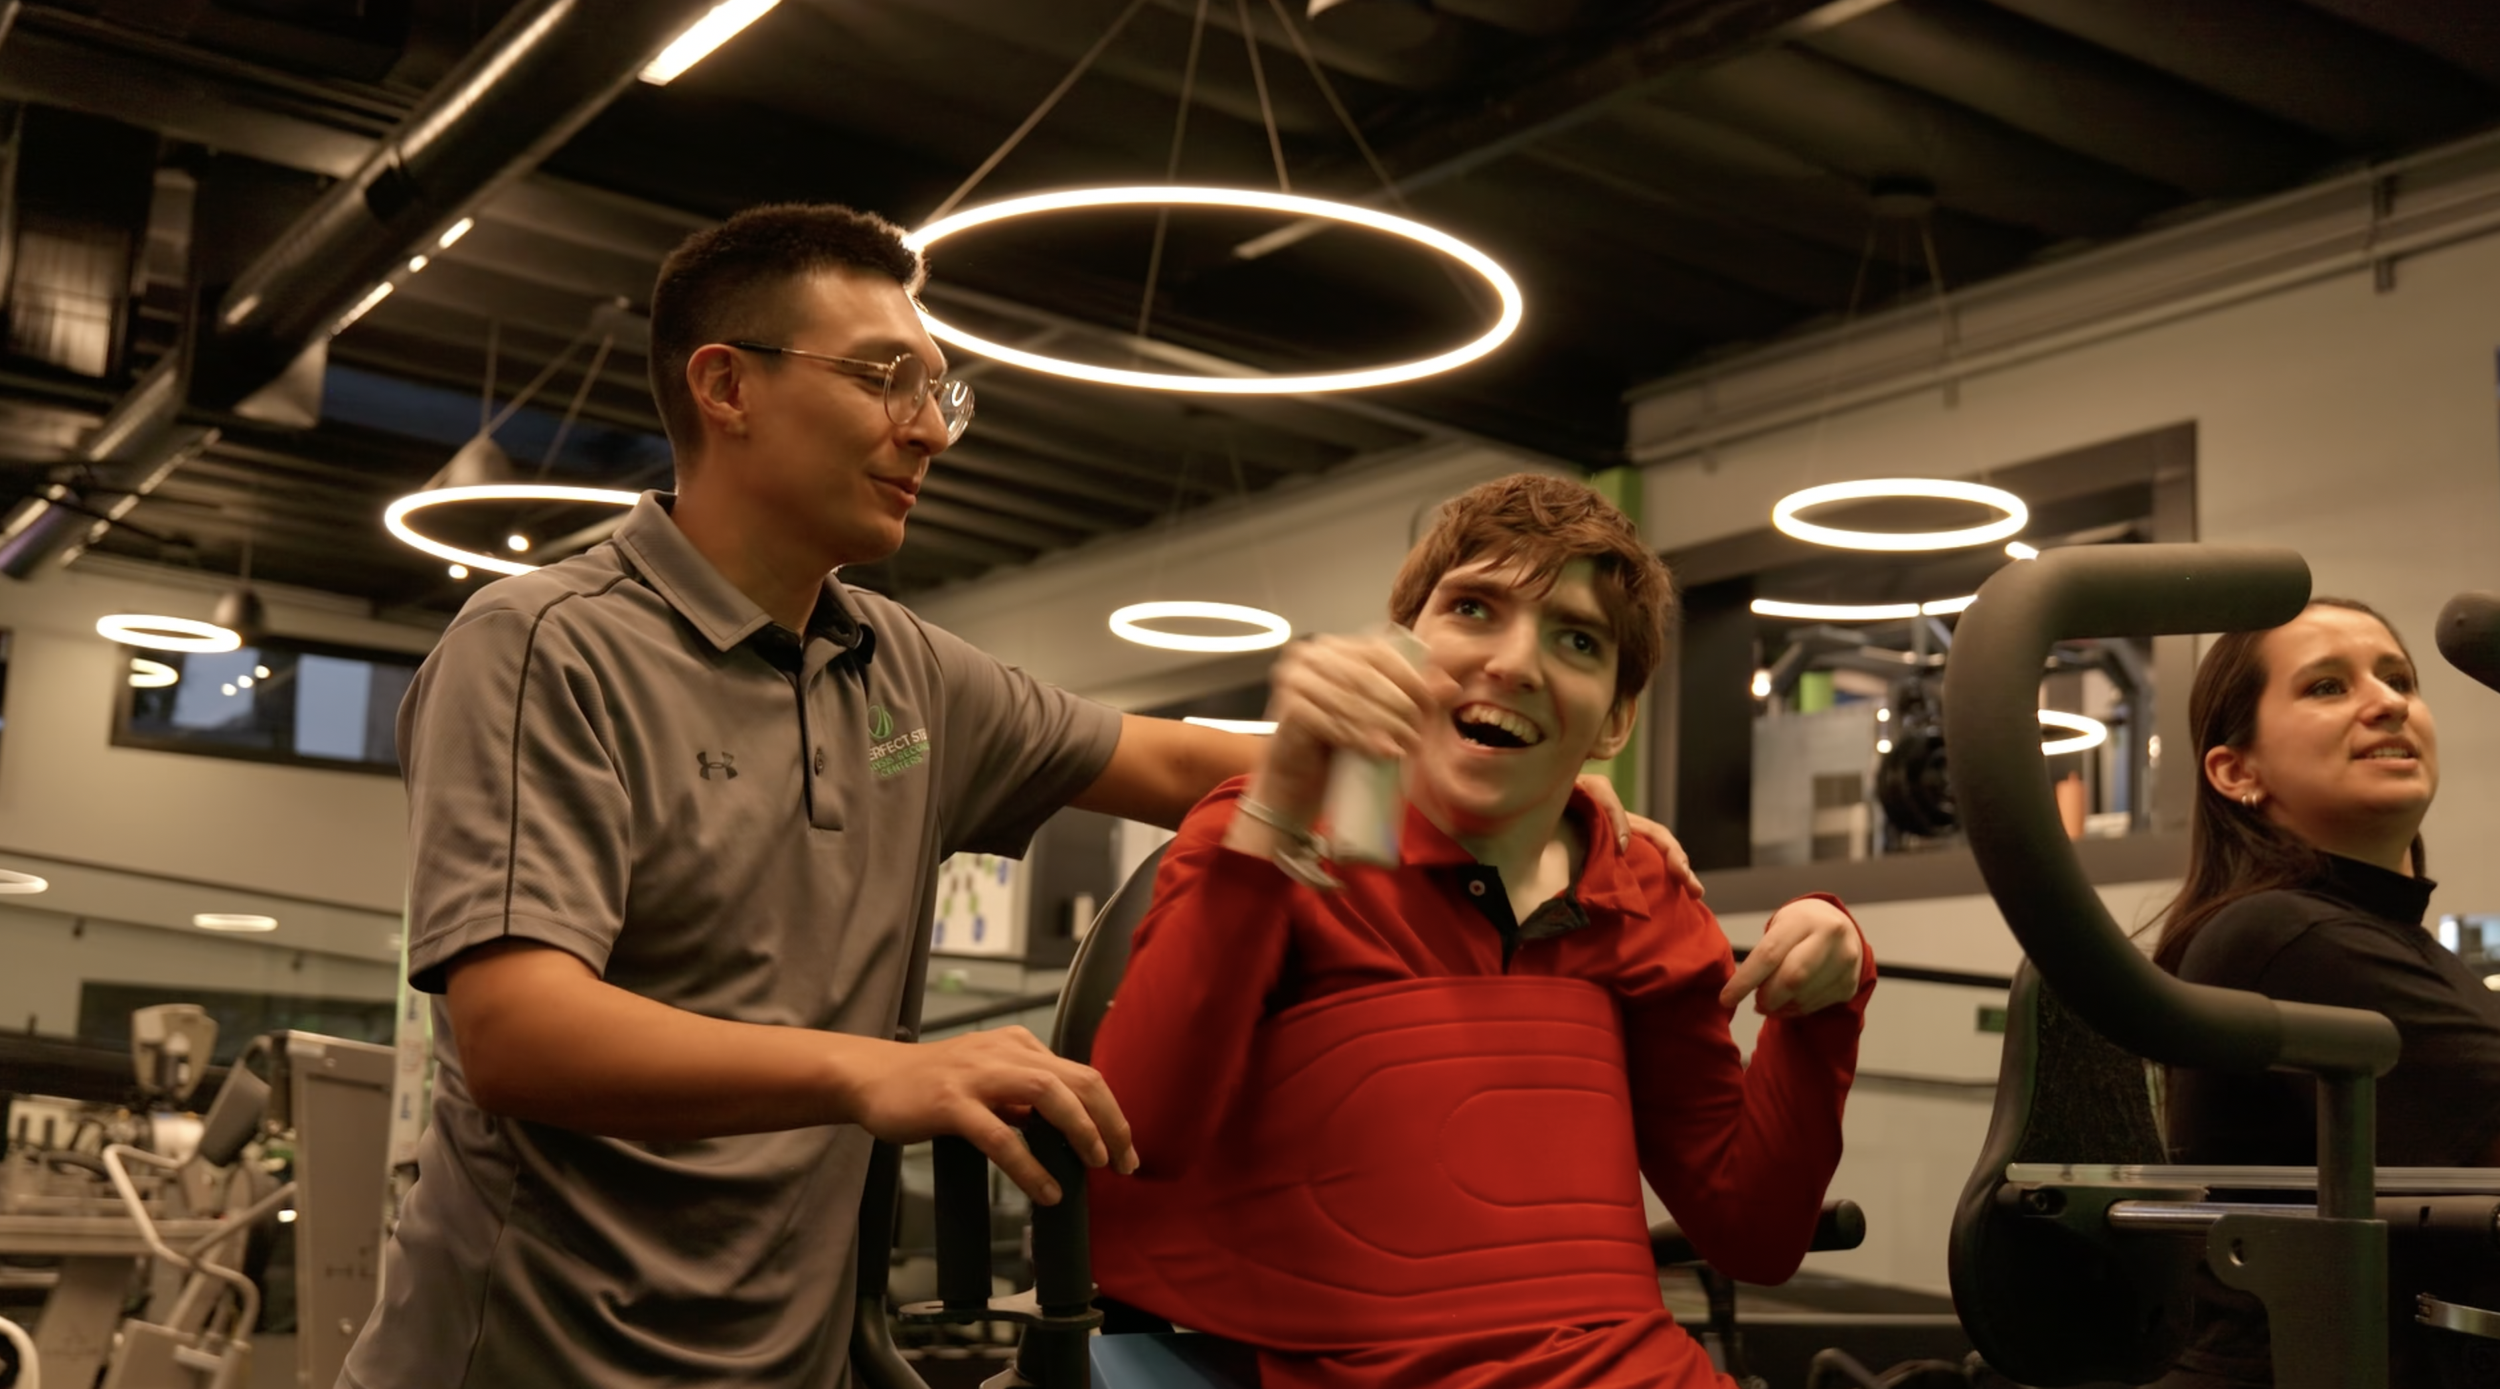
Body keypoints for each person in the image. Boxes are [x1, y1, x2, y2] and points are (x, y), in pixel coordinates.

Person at [344, 205, 1689, 1388]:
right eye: (885, 380)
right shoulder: (543, 643)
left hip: (790, 1357)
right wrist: (885, 1074)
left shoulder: (901, 668)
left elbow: (1182, 763)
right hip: (531, 1355)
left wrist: (1532, 797)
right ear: (724, 385)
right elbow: (522, 1033)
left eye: (942, 392)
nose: (927, 427)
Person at [1089, 474, 1875, 1389]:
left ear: (1616, 718)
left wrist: (1826, 989)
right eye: (1473, 607)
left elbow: (1752, 1229)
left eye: (1576, 639)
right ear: (1400, 649)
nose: (1514, 663)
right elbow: (1139, 1133)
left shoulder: (1646, 893)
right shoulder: (1270, 837)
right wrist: (1277, 817)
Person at [2150, 597, 2500, 1389]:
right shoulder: (2285, 938)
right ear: (2237, 770)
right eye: (2327, 687)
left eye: (2399, 679)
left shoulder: (2388, 943)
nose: (2387, 702)